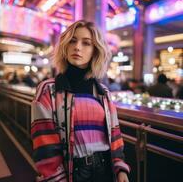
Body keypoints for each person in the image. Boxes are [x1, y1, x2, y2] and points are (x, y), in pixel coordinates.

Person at [31, 20, 130, 182]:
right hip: (73, 172)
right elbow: (44, 144)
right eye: (72, 41)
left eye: (86, 43)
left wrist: (120, 168)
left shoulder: (102, 92)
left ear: (95, 51)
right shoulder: (49, 90)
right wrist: (56, 178)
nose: (77, 47)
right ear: (65, 46)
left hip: (105, 170)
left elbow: (115, 134)